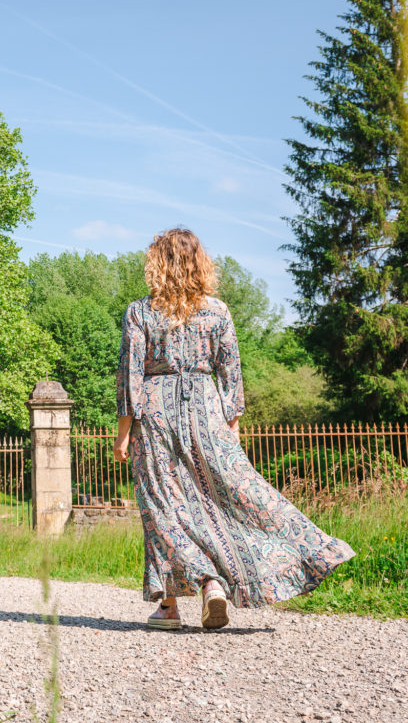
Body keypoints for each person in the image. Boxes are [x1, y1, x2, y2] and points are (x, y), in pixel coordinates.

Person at [112, 228, 356, 630]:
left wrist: (123, 433)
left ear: (158, 263)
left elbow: (130, 376)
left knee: (163, 505)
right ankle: (297, 555)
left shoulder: (140, 311)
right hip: (208, 409)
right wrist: (233, 426)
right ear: (199, 263)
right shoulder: (218, 311)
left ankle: (179, 600)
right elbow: (232, 372)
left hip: (155, 412)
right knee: (230, 495)